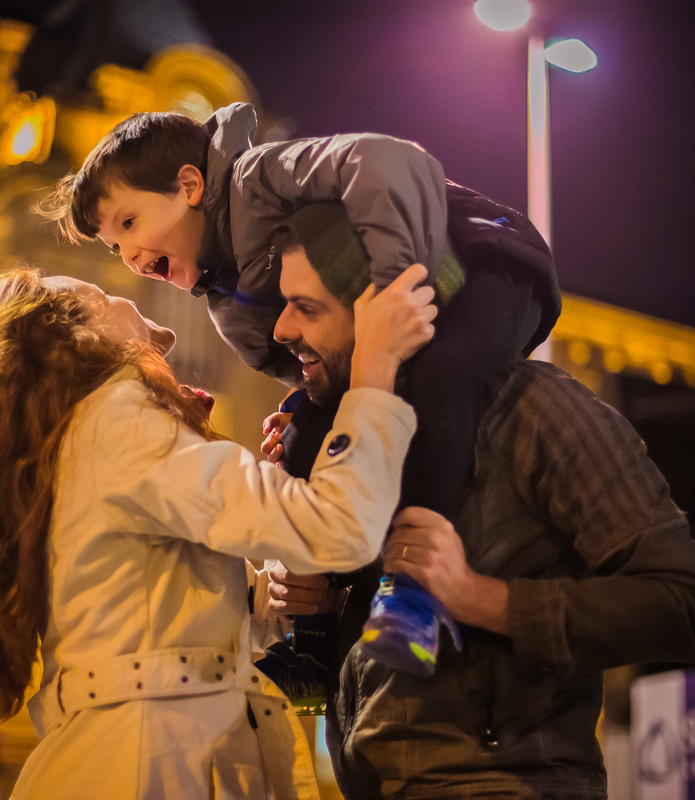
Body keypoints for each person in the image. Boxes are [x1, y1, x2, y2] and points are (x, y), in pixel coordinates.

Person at [42, 103, 558, 676]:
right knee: (305, 439)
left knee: (446, 373)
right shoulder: (228, 308)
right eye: (114, 248)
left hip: (484, 260)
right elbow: (318, 377)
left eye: (130, 225)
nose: (132, 260)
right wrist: (307, 407)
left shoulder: (256, 179)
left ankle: (414, 593)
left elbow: (387, 159)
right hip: (396, 324)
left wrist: (389, 292)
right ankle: (312, 639)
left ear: (190, 185)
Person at [0, 265, 437, 799]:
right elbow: (338, 527)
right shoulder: (117, 419)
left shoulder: (78, 444)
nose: (167, 333)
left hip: (131, 755)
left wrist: (274, 588)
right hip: (152, 764)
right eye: (105, 293)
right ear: (69, 340)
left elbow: (170, 605)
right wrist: (375, 368)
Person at [263, 208, 695, 799]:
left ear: (379, 311)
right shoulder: (360, 448)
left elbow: (686, 609)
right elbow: (366, 701)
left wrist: (479, 598)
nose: (280, 329)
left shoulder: (535, 410)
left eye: (307, 307)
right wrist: (318, 613)